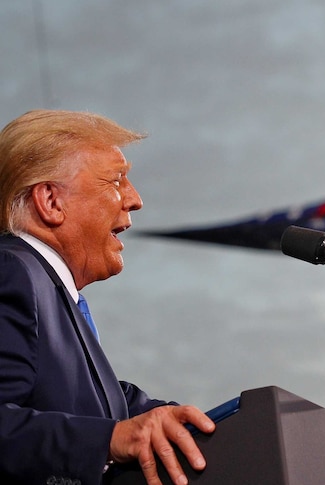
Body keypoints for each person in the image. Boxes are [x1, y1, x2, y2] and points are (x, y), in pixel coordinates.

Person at [0, 110, 215, 485]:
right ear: (51, 201)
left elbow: (106, 402)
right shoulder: (12, 270)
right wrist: (112, 439)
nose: (135, 199)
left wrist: (185, 423)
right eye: (116, 180)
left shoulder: (49, 292)